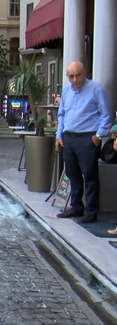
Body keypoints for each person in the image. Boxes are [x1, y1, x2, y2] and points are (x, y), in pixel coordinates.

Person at [55, 61, 112, 224]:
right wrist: (59, 136)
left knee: (90, 175)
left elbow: (105, 114)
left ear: (84, 73)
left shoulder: (96, 89)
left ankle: (91, 211)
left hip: (88, 137)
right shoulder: (66, 90)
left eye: (78, 75)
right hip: (69, 137)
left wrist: (98, 136)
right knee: (72, 174)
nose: (75, 79)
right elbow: (61, 114)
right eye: (71, 76)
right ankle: (76, 207)